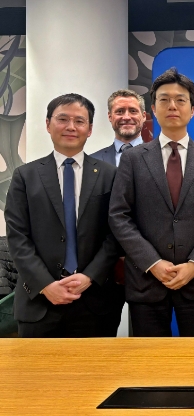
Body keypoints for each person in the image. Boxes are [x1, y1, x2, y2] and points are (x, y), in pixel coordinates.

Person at [109, 68, 194, 337]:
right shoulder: (133, 159)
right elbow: (119, 216)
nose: (172, 106)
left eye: (180, 100)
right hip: (146, 280)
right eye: (164, 100)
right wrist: (153, 263)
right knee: (150, 360)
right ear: (153, 109)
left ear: (192, 110)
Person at [5, 93, 120, 337]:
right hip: (39, 302)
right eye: (63, 119)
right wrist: (46, 284)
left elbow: (115, 234)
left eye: (79, 121)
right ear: (48, 124)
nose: (71, 127)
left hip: (94, 302)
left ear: (89, 129)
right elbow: (18, 237)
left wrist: (89, 276)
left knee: (94, 364)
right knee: (36, 364)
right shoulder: (25, 176)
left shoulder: (110, 175)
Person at [90, 89, 147, 337]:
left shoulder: (164, 158)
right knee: (101, 340)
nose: (126, 116)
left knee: (149, 342)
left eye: (133, 111)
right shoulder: (91, 162)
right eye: (119, 111)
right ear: (110, 117)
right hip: (104, 269)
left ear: (144, 116)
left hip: (149, 266)